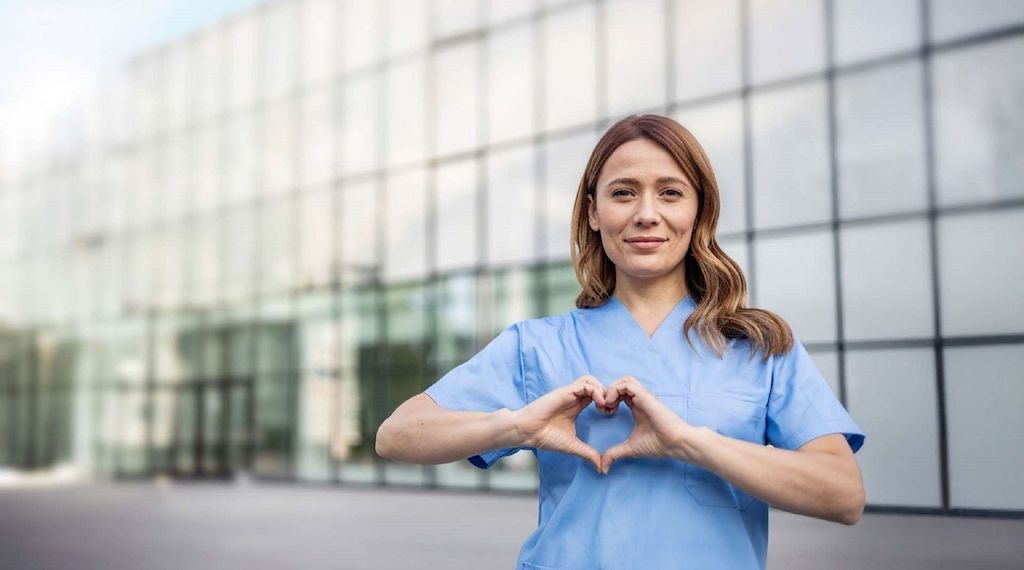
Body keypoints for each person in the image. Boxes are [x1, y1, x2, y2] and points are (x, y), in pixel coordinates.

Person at [375, 114, 866, 570]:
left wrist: (691, 442)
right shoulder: (538, 346)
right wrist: (517, 427)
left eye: (671, 193)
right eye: (624, 193)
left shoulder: (759, 348)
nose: (647, 214)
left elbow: (842, 495)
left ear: (699, 211)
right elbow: (397, 435)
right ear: (593, 212)